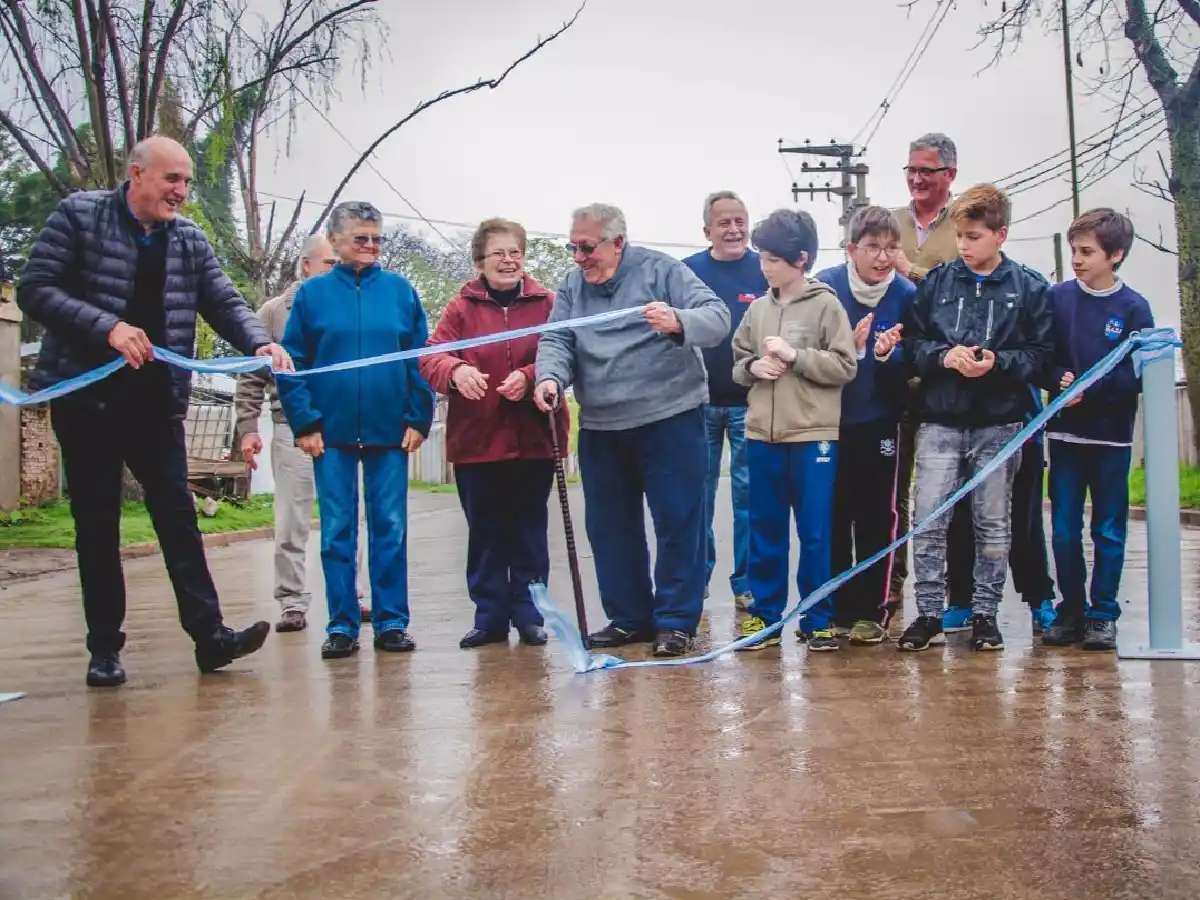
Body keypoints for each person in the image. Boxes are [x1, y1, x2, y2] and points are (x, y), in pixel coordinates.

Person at [16, 135, 290, 687]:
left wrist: (258, 344)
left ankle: (211, 639)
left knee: (179, 520)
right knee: (97, 526)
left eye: (187, 181)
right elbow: (34, 290)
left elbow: (223, 301)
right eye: (172, 179)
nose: (182, 192)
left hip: (155, 403)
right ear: (136, 175)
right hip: (85, 398)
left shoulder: (187, 239)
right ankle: (104, 651)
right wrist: (108, 328)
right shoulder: (79, 216)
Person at [534, 203, 731, 657]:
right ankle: (629, 618)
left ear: (618, 243)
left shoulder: (663, 271)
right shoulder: (571, 285)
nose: (579, 257)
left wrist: (679, 321)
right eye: (573, 247)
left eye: (587, 247)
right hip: (603, 424)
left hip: (671, 418)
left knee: (679, 521)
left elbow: (717, 318)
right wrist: (550, 377)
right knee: (608, 527)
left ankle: (676, 621)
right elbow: (557, 338)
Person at [896, 183, 1053, 653]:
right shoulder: (937, 284)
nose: (964, 246)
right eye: (960, 236)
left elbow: (1042, 357)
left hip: (1000, 423)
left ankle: (986, 615)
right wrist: (945, 357)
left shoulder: (1029, 287)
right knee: (927, 519)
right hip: (940, 419)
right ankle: (928, 614)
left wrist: (996, 363)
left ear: (1000, 234)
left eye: (974, 237)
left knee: (993, 523)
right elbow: (913, 346)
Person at [278, 201, 434, 660]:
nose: (370, 247)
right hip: (331, 434)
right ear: (337, 241)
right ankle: (342, 625)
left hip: (390, 432)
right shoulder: (311, 295)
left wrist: (417, 416)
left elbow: (418, 358)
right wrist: (304, 422)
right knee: (337, 530)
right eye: (360, 238)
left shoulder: (401, 292)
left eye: (376, 238)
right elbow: (291, 364)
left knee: (389, 526)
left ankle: (391, 622)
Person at [419, 218, 569, 649]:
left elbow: (562, 351)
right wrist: (456, 369)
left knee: (529, 529)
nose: (508, 261)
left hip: (535, 437)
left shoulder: (548, 302)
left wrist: (529, 375)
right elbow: (431, 355)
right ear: (479, 261)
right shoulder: (461, 307)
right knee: (485, 532)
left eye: (515, 252)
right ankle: (489, 617)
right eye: (498, 253)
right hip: (478, 440)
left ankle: (529, 612)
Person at [730, 209, 857, 652]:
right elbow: (738, 359)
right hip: (762, 436)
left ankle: (818, 618)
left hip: (812, 437)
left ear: (800, 259)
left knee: (816, 531)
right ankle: (764, 618)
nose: (763, 266)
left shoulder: (827, 304)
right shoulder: (758, 308)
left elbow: (845, 365)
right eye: (762, 258)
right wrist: (753, 367)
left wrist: (795, 355)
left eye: (771, 259)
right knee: (765, 528)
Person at [235, 235, 374, 632]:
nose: (337, 269)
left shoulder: (353, 307)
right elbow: (251, 376)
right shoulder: (274, 312)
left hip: (344, 431)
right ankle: (292, 602)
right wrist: (248, 428)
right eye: (329, 263)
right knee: (293, 520)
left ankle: (353, 596)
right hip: (291, 428)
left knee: (348, 517)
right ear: (307, 266)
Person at [1042, 208, 1153, 652]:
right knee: (1065, 529)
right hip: (1065, 436)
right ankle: (1070, 610)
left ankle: (1102, 613)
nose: (1077, 259)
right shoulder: (1058, 298)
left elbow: (1139, 374)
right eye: (1074, 250)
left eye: (1087, 251)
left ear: (1116, 254)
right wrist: (1058, 380)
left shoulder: (1134, 308)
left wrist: (1094, 388)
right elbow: (1043, 356)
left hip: (1111, 437)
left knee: (1107, 529)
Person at [815, 206, 915, 644]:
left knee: (878, 515)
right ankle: (835, 604)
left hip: (882, 421)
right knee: (833, 514)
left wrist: (885, 355)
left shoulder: (908, 295)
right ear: (852, 248)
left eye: (891, 247)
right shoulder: (826, 288)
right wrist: (850, 351)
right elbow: (810, 351)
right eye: (872, 247)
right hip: (829, 420)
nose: (882, 257)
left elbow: (917, 361)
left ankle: (872, 611)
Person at [888, 133, 962, 622]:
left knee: (944, 489)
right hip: (894, 376)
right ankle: (889, 587)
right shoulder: (891, 222)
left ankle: (953, 593)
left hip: (944, 379)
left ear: (949, 176)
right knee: (892, 492)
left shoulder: (965, 224)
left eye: (927, 171)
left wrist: (909, 269)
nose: (916, 179)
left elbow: (962, 289)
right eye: (911, 169)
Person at [682, 191, 767, 615]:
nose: (734, 229)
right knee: (697, 494)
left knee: (750, 496)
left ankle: (747, 582)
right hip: (698, 403)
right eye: (724, 223)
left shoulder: (764, 268)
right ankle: (696, 579)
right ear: (707, 231)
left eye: (740, 221)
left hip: (751, 403)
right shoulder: (688, 273)